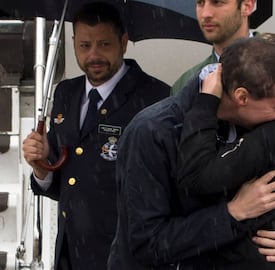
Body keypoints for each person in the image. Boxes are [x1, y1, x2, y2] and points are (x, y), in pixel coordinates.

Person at [108, 38, 275, 269]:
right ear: (242, 97)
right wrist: (233, 213)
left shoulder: (257, 124)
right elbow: (148, 244)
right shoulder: (152, 133)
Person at [172, 0, 275, 267]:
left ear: (248, 5)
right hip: (211, 246)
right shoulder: (189, 82)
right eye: (200, 2)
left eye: (218, 2)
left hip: (260, 250)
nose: (206, 13)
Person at [22, 2, 170, 270]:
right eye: (84, 45)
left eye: (104, 44)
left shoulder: (155, 97)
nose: (93, 55)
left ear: (123, 42)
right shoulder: (66, 93)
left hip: (125, 256)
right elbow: (67, 184)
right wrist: (41, 166)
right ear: (74, 42)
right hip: (70, 253)